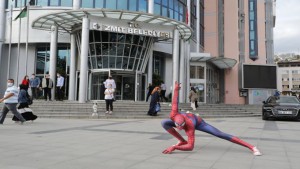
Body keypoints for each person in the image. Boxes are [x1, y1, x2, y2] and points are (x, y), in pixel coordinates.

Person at [161, 81, 262, 156]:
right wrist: (175, 89)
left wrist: (175, 147)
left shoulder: (189, 125)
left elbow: (191, 147)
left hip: (199, 123)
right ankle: (182, 140)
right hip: (184, 120)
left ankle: (252, 147)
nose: (180, 129)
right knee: (164, 122)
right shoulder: (174, 114)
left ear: (184, 125)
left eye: (181, 127)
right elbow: (175, 101)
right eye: (178, 127)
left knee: (219, 134)